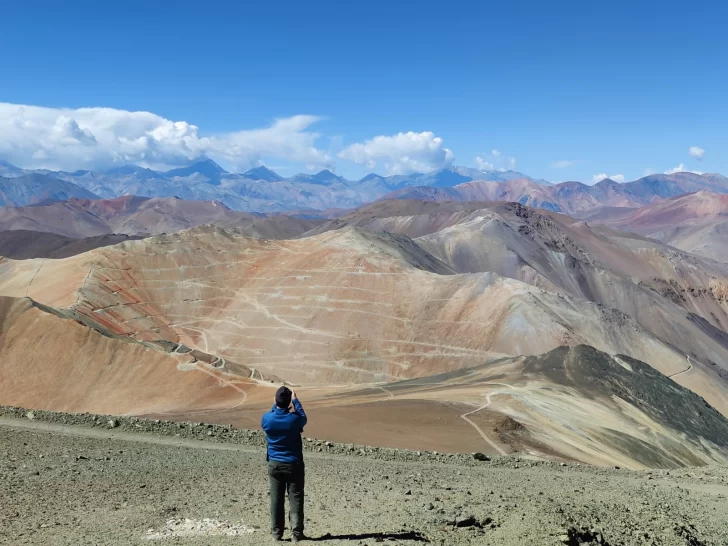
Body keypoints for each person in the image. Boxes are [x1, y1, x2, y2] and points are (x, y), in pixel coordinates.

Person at [261, 386, 308, 542]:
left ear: (275, 401)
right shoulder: (294, 420)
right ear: (289, 402)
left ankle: (276, 533)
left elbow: (269, 419)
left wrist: (276, 406)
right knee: (295, 497)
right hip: (293, 464)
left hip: (274, 463)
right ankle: (296, 533)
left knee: (276, 498)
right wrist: (296, 401)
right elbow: (303, 417)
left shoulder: (267, 419)